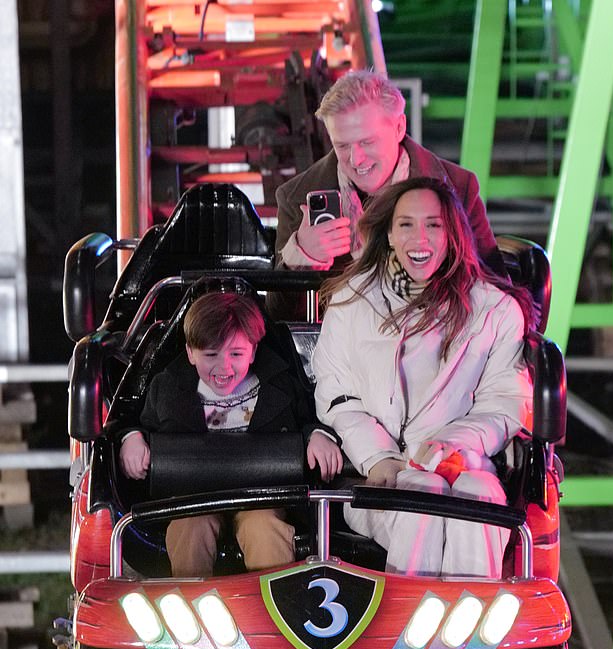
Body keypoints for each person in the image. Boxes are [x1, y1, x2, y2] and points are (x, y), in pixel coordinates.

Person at [312, 176, 534, 578]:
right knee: (422, 495)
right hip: (379, 473)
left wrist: (448, 445)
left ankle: (469, 628)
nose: (421, 237)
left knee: (480, 493)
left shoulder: (494, 310)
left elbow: (504, 401)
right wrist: (378, 456)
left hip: (462, 462)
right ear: (390, 235)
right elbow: (336, 392)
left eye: (433, 224)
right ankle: (415, 633)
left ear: (452, 234)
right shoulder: (351, 301)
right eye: (407, 224)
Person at [119, 291, 342, 577]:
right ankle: (190, 610)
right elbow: (138, 422)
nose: (224, 367)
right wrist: (133, 438)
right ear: (190, 352)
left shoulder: (280, 386)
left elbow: (307, 419)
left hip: (260, 498)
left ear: (253, 351)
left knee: (264, 529)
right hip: (193, 497)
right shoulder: (168, 389)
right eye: (211, 355)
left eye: (236, 354)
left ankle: (271, 612)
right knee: (189, 529)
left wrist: (316, 436)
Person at [271, 70, 504, 320]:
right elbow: (276, 318)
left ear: (399, 127)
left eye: (367, 142)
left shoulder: (458, 188)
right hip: (338, 352)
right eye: (342, 145)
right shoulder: (297, 198)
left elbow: (495, 291)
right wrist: (301, 258)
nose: (355, 158)